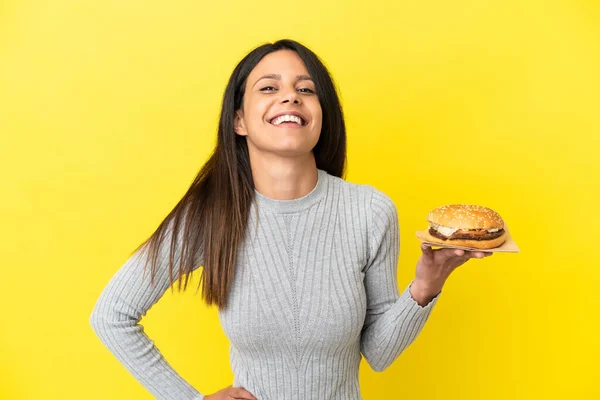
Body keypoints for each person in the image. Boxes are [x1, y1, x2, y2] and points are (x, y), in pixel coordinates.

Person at [89, 38, 492, 400]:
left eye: (306, 90)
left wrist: (426, 284)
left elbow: (379, 353)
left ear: (322, 115)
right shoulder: (210, 215)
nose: (290, 98)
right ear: (239, 121)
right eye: (269, 88)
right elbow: (112, 315)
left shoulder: (370, 211)